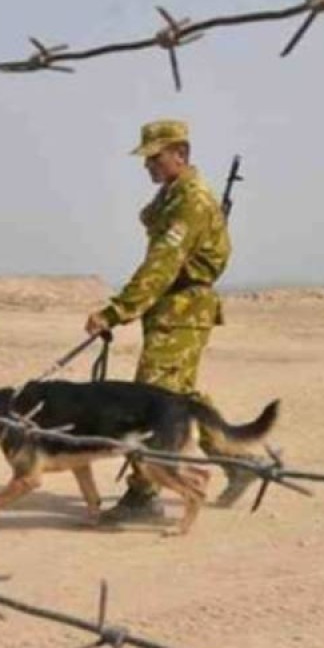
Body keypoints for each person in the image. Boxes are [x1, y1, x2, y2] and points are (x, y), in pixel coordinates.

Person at [85, 119, 256, 521]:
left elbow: (161, 266)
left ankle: (143, 494)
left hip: (181, 312)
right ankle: (237, 463)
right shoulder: (173, 197)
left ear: (181, 154)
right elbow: (151, 226)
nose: (148, 166)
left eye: (156, 158)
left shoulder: (191, 202)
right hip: (172, 312)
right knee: (180, 396)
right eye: (146, 159)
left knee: (153, 403)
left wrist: (116, 311)